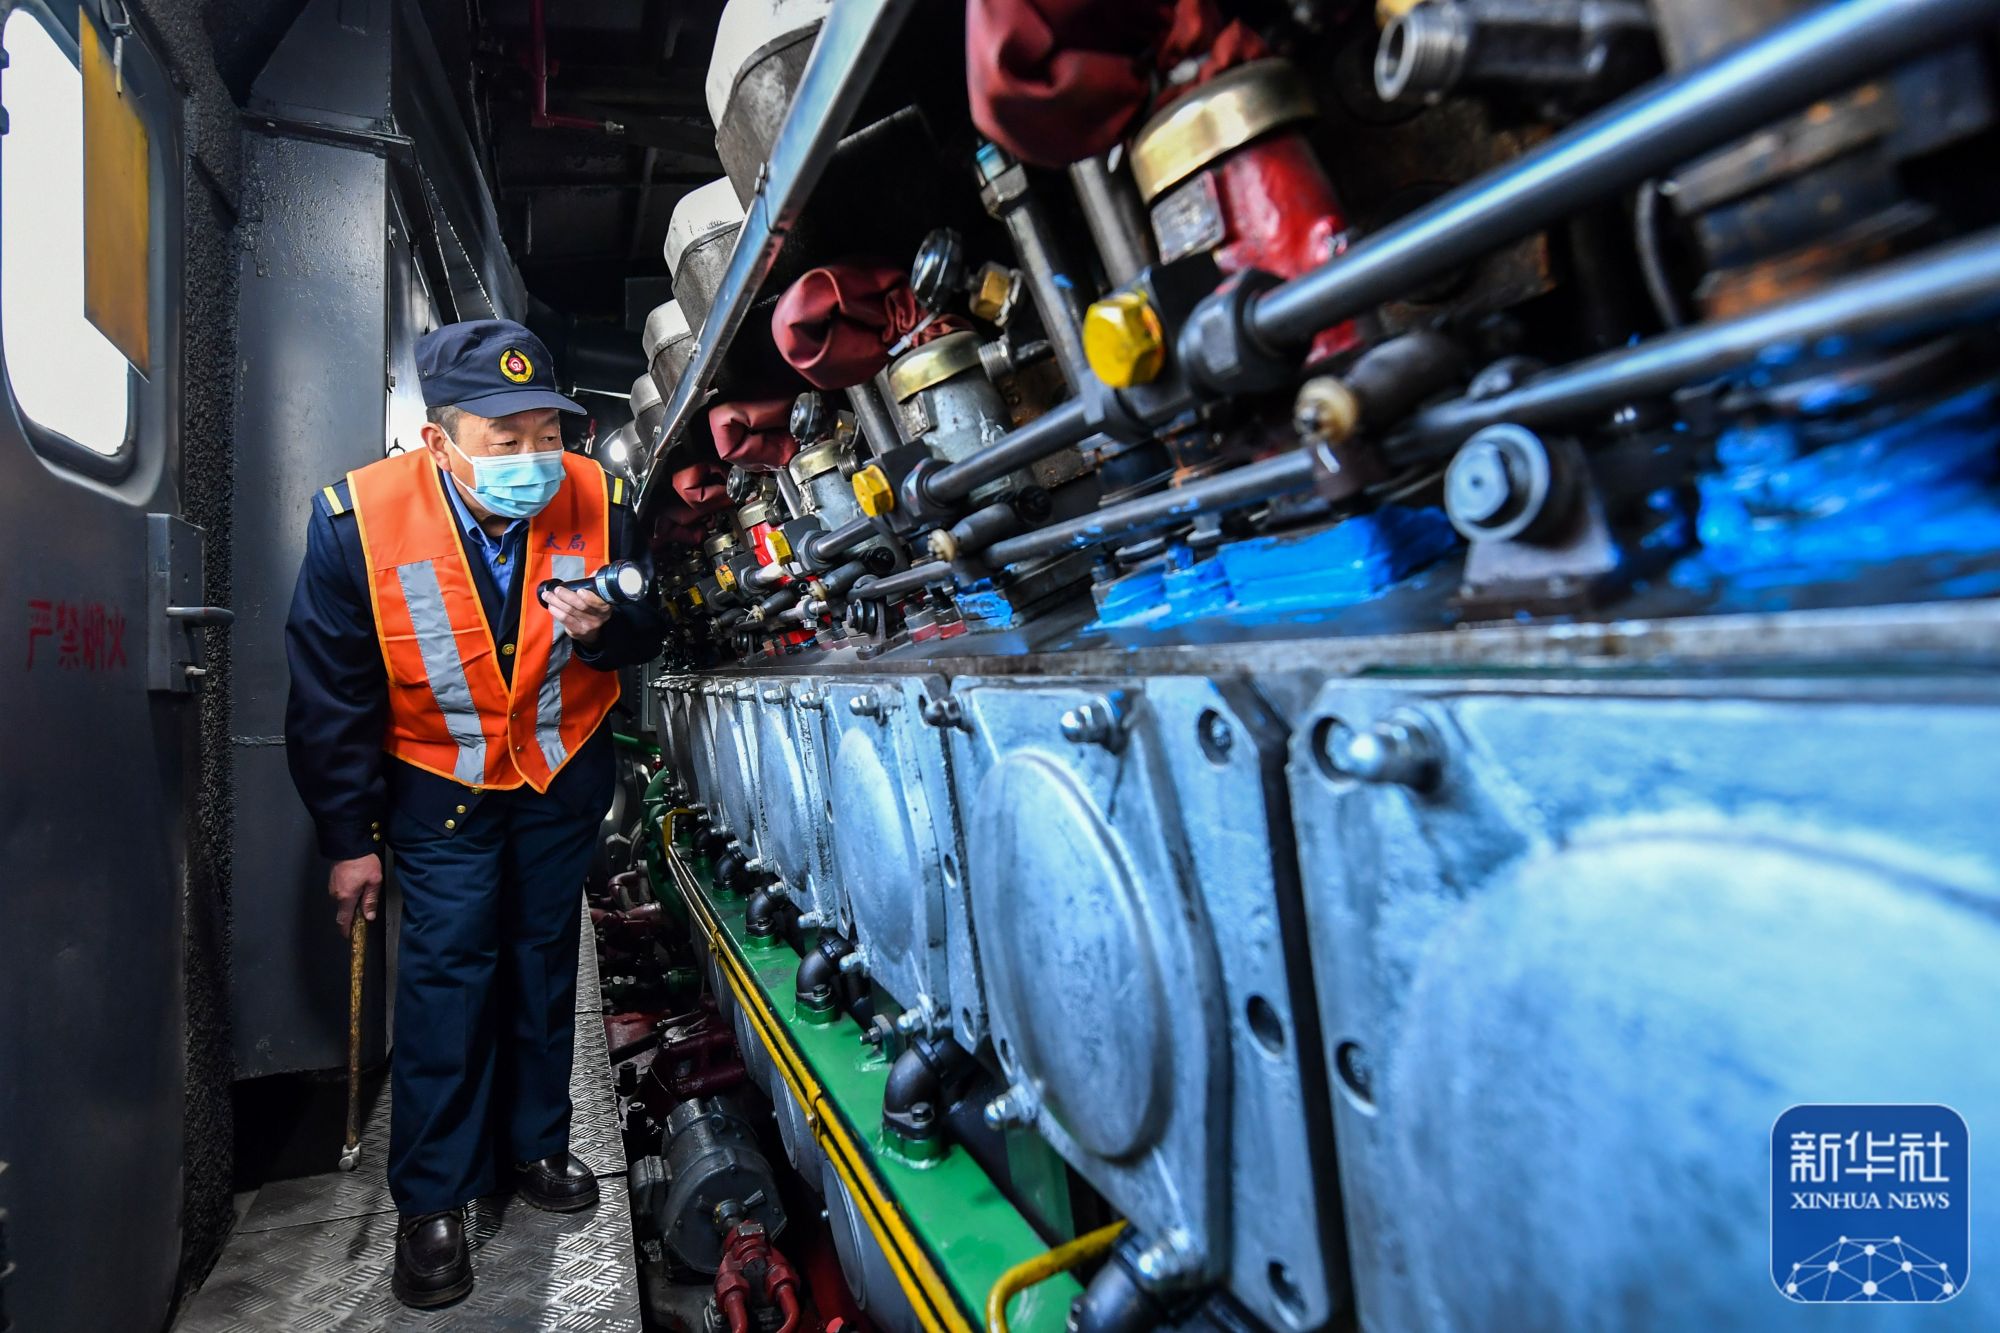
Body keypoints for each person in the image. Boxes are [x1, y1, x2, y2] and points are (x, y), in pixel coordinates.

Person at [284, 318, 662, 1307]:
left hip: (556, 778)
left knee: (542, 963)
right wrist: (347, 838)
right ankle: (434, 1198)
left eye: (550, 433)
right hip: (439, 787)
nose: (537, 458)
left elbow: (647, 627)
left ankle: (535, 1146)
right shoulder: (357, 521)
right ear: (439, 440)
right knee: (448, 978)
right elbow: (330, 695)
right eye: (508, 439)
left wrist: (607, 629)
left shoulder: (601, 497)